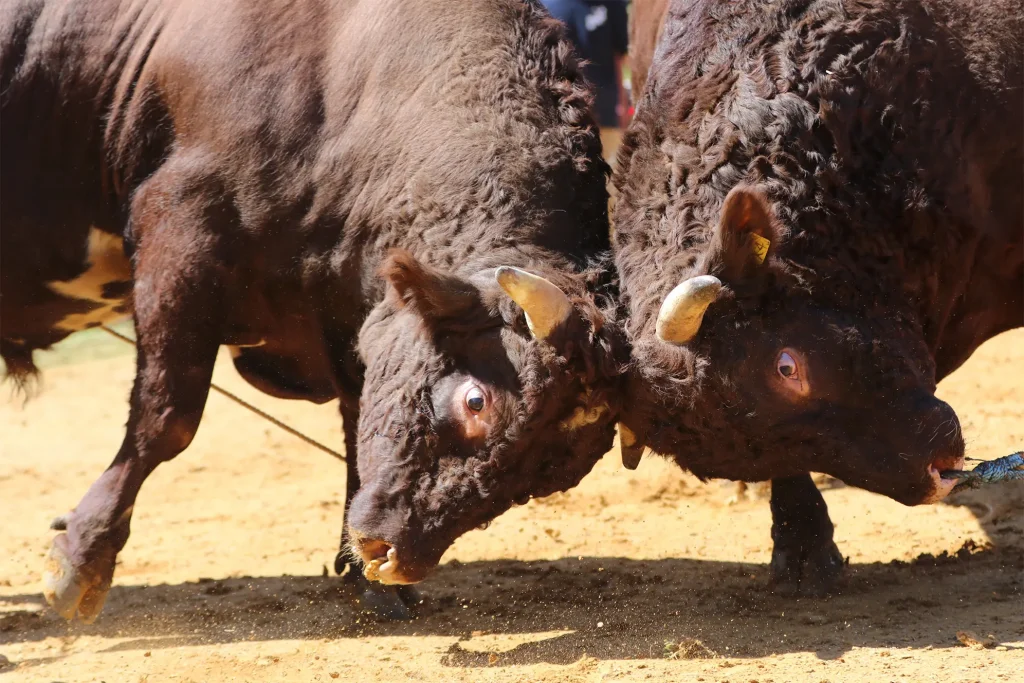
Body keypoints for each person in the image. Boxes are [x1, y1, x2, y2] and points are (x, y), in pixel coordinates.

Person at [541, 1, 631, 132]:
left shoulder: (612, 4)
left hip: (606, 109)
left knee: (610, 150)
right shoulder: (544, 6)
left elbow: (619, 56)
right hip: (565, 115)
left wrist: (622, 103)